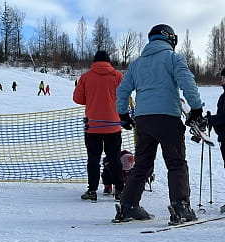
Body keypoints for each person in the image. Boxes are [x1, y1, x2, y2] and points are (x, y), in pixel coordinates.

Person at [113, 24, 203, 224]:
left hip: (144, 120)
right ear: (170, 38)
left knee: (143, 164)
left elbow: (122, 91)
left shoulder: (137, 64)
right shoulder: (173, 58)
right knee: (176, 162)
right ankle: (180, 207)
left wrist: (123, 114)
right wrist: (196, 108)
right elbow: (187, 82)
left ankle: (128, 205)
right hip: (167, 118)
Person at [73, 50, 124, 202]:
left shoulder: (86, 77)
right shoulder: (118, 76)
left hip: (93, 126)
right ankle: (120, 189)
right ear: (109, 62)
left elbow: (78, 99)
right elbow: (124, 97)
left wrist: (92, 100)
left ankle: (92, 190)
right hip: (113, 126)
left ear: (94, 62)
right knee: (114, 159)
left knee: (93, 159)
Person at [206, 68, 225, 212]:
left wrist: (211, 119)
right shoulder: (223, 97)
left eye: (223, 78)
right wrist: (211, 120)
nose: (221, 81)